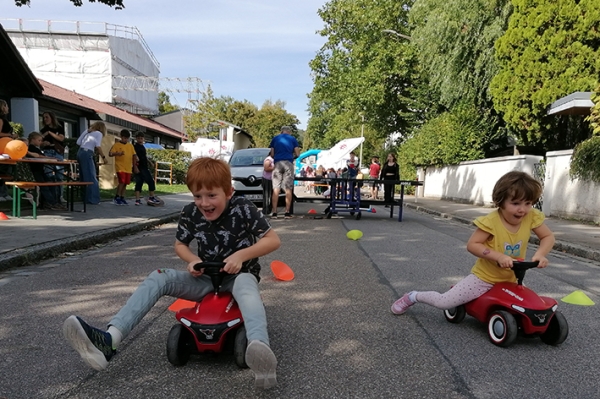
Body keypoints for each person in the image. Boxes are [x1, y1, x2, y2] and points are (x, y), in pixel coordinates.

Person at [62, 157, 282, 389]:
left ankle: (259, 348)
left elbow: (273, 240)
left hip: (239, 277)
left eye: (211, 195)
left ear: (229, 192)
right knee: (159, 276)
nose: (204, 203)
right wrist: (193, 260)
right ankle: (109, 340)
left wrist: (241, 256)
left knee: (247, 287)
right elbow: (180, 245)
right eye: (197, 196)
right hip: (206, 278)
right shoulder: (190, 213)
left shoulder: (243, 208)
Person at [391, 171, 555, 315]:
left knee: (527, 306)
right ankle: (413, 296)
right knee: (444, 302)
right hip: (484, 278)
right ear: (501, 201)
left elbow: (547, 237)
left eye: (528, 203)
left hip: (512, 279)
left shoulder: (531, 216)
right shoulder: (491, 222)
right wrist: (498, 256)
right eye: (516, 203)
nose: (523, 209)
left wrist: (540, 254)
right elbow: (473, 244)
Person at [25, 132, 65, 210]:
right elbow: (38, 156)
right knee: (44, 186)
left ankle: (51, 202)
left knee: (51, 181)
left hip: (40, 170)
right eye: (39, 140)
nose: (41, 142)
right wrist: (49, 158)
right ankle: (52, 203)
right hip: (35, 171)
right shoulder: (31, 148)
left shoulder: (36, 148)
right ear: (33, 140)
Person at [269, 125, 300, 218]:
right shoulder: (292, 139)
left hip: (278, 163)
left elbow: (272, 154)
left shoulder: (275, 139)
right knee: (288, 188)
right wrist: (291, 157)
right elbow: (298, 153)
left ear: (281, 131)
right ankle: (287, 212)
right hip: (288, 163)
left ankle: (274, 212)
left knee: (276, 188)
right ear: (289, 132)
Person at [76, 121, 108, 205]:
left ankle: (85, 197)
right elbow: (98, 145)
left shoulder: (88, 133)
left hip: (80, 152)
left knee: (83, 176)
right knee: (91, 176)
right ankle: (93, 199)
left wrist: (86, 131)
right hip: (87, 152)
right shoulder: (99, 134)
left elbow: (78, 142)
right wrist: (103, 157)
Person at [40, 111, 66, 203]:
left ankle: (60, 196)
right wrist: (43, 143)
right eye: (44, 117)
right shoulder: (43, 130)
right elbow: (39, 142)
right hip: (47, 152)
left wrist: (50, 133)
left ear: (52, 118)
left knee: (59, 175)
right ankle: (51, 198)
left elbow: (61, 138)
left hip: (57, 152)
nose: (45, 119)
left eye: (47, 117)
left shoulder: (59, 128)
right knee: (49, 174)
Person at [109, 129, 138, 205]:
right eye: (124, 138)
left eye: (127, 138)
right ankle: (117, 197)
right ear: (121, 137)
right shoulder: (116, 145)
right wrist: (117, 153)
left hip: (128, 167)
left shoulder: (130, 146)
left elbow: (134, 154)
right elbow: (110, 154)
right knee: (121, 181)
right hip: (120, 167)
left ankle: (122, 197)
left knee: (125, 183)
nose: (125, 140)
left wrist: (136, 160)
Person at [132, 131, 161, 206]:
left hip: (144, 165)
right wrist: (135, 167)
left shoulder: (143, 147)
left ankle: (138, 200)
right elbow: (134, 157)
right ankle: (151, 197)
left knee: (140, 182)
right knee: (150, 181)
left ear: (143, 139)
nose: (140, 140)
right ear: (136, 139)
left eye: (141, 138)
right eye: (138, 138)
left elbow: (144, 157)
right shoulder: (135, 147)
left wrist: (150, 162)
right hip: (140, 167)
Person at [0, 99, 17, 202]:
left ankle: (4, 192)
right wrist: (11, 135)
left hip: (7, 148)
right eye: (6, 106)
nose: (8, 108)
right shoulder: (1, 119)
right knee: (1, 171)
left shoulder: (4, 119)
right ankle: (1, 193)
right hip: (2, 148)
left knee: (6, 171)